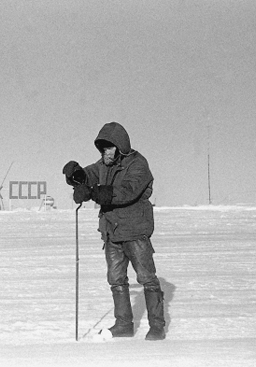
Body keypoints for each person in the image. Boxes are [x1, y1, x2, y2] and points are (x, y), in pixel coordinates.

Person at [62, 121, 166, 341]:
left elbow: (127, 191)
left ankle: (157, 325)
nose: (104, 152)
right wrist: (77, 175)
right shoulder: (103, 165)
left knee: (147, 278)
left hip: (135, 230)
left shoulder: (138, 164)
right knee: (116, 279)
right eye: (102, 148)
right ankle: (124, 324)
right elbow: (89, 176)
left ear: (120, 146)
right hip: (112, 232)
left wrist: (99, 193)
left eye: (108, 147)